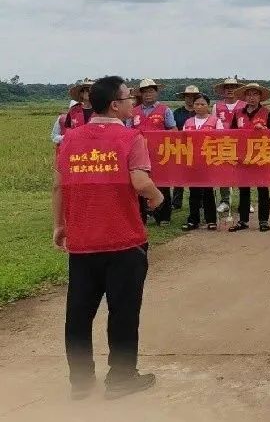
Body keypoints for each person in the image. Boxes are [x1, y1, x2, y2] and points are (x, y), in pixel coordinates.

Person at [54, 75, 162, 400]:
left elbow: (58, 185)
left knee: (78, 313)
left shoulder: (69, 139)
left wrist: (60, 225)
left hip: (82, 242)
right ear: (115, 105)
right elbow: (141, 183)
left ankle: (80, 381)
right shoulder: (131, 138)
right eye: (129, 97)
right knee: (123, 312)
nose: (133, 102)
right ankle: (121, 379)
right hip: (124, 241)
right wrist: (157, 198)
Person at [229, 83, 270, 232]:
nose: (251, 97)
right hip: (243, 156)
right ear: (245, 97)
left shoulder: (266, 113)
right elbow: (231, 134)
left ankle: (263, 220)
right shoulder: (238, 113)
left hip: (261, 155)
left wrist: (265, 130)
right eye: (249, 94)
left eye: (255, 94)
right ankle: (243, 220)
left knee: (262, 189)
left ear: (260, 97)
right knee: (244, 189)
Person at [130, 79, 175, 226]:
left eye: (151, 91)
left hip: (160, 154)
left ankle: (164, 216)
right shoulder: (133, 111)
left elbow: (173, 130)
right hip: (138, 155)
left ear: (156, 92)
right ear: (141, 94)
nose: (148, 94)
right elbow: (127, 132)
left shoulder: (165, 110)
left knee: (162, 184)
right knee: (140, 184)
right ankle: (142, 216)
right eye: (145, 92)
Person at [180, 94, 223, 231]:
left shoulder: (215, 121)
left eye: (202, 104)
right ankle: (193, 220)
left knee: (208, 191)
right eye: (197, 104)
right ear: (193, 106)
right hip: (193, 161)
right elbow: (183, 141)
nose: (199, 107)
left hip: (208, 161)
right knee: (194, 192)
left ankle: (211, 220)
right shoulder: (188, 122)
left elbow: (221, 140)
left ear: (208, 105)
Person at [213, 77, 244, 214]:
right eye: (227, 87)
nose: (230, 90)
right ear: (223, 90)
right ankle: (225, 201)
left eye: (233, 87)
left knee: (243, 173)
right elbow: (213, 123)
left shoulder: (244, 105)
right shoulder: (217, 106)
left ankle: (245, 201)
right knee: (224, 172)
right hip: (223, 143)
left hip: (241, 143)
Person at [170, 85, 200, 210]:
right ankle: (176, 203)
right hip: (180, 148)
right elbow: (172, 129)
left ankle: (199, 202)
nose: (190, 98)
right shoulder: (177, 113)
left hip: (198, 149)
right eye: (188, 96)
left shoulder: (201, 112)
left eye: (193, 96)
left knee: (198, 176)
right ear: (184, 97)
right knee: (179, 176)